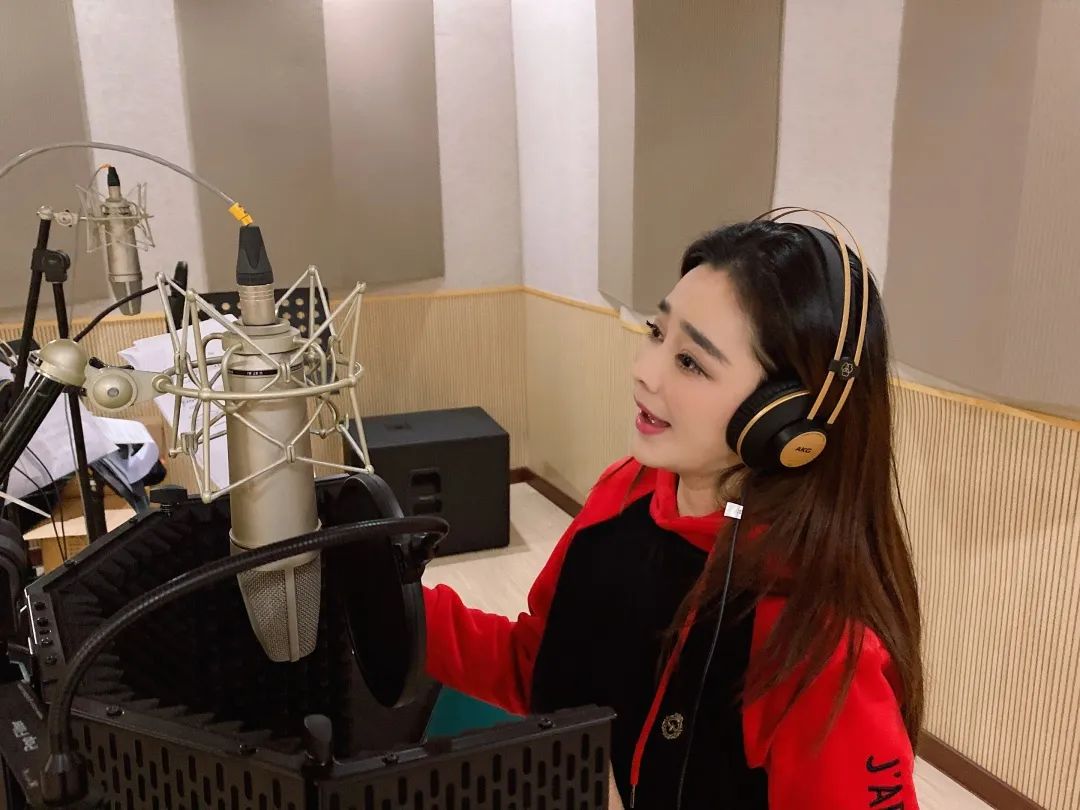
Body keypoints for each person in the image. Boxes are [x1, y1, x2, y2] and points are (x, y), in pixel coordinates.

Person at [422, 209, 924, 809]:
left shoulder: (820, 648)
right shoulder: (624, 491)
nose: (644, 372)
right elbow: (535, 668)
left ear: (785, 419)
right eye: (658, 333)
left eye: (691, 362)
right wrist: (392, 601)